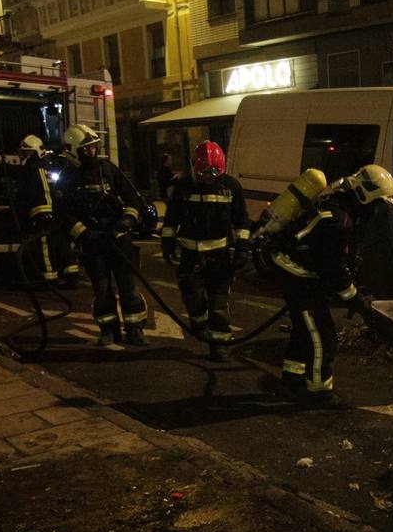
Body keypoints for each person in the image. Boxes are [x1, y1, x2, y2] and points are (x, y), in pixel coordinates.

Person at [260, 164, 393, 407]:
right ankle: (318, 393)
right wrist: (358, 301)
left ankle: (291, 381)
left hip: (298, 270)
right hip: (298, 275)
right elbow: (335, 274)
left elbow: (333, 264)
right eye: (378, 205)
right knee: (323, 337)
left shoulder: (341, 209)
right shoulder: (339, 223)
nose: (377, 212)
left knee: (304, 330)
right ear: (365, 196)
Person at [54, 123, 150, 347]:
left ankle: (135, 329)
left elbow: (133, 199)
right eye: (87, 148)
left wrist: (126, 221)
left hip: (118, 239)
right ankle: (108, 330)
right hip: (93, 244)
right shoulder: (67, 178)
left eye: (94, 147)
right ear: (74, 151)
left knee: (128, 286)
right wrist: (85, 234)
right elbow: (62, 214)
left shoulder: (108, 170)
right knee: (102, 289)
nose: (93, 151)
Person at [161, 141, 250, 361]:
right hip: (190, 255)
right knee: (192, 299)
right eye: (205, 173)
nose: (210, 177)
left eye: (214, 172)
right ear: (194, 167)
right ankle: (199, 325)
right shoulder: (184, 186)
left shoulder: (231, 186)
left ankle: (219, 345)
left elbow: (241, 221)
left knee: (218, 303)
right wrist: (167, 244)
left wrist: (242, 248)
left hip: (219, 256)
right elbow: (171, 219)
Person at [15, 135, 81, 287]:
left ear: (35, 152)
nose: (25, 156)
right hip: (56, 211)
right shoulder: (48, 166)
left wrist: (44, 211)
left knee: (45, 244)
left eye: (27, 152)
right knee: (61, 242)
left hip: (43, 212)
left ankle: (49, 279)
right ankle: (72, 275)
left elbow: (42, 190)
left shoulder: (35, 167)